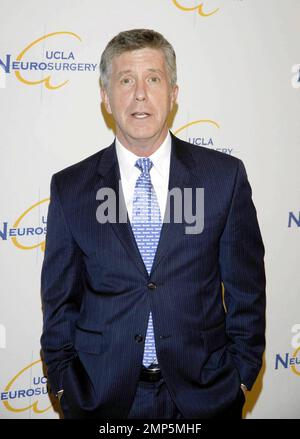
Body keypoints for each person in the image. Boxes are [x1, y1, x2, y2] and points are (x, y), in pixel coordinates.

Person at [40, 28, 266, 419]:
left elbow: (247, 292)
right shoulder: (70, 188)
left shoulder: (223, 178)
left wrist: (241, 378)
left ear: (174, 94)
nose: (140, 93)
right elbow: (59, 302)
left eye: (154, 79)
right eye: (126, 80)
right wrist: (63, 383)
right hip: (102, 399)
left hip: (203, 397)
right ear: (105, 97)